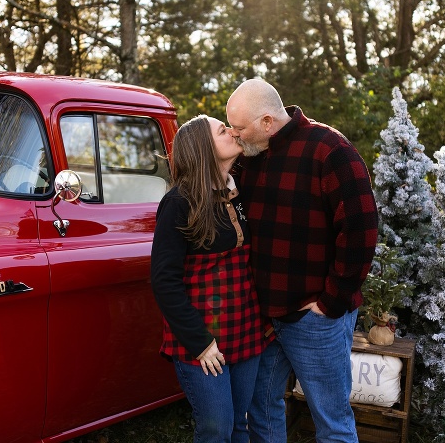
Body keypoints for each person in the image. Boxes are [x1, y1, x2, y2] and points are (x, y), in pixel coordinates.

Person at [226, 79, 379, 443]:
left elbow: (361, 227)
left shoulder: (329, 149)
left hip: (315, 319)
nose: (234, 134)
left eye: (239, 127)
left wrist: (332, 300)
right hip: (264, 317)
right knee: (261, 410)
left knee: (331, 419)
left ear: (267, 121)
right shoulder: (248, 157)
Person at [151, 114, 271, 443]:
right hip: (202, 339)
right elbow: (164, 281)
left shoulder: (241, 192)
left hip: (246, 329)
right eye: (223, 130)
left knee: (238, 424)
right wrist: (201, 344)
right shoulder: (178, 202)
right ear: (204, 148)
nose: (233, 131)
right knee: (216, 428)